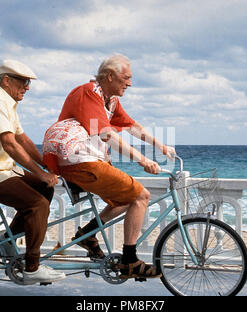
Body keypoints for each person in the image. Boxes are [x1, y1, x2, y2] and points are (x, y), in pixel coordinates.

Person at [43, 54, 176, 280]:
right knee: (141, 196)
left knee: (124, 201)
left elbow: (132, 126)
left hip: (91, 161)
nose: (130, 83)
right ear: (111, 76)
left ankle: (87, 235)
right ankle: (130, 261)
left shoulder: (110, 100)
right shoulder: (88, 93)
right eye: (126, 78)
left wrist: (160, 145)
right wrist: (143, 160)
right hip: (81, 162)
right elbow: (107, 134)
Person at [0, 60, 65, 285]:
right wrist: (39, 172)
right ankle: (32, 268)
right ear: (6, 81)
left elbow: (23, 139)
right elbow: (9, 144)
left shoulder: (7, 102)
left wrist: (48, 167)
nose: (28, 87)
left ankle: (8, 242)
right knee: (38, 204)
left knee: (44, 190)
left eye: (29, 83)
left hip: (2, 170)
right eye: (24, 81)